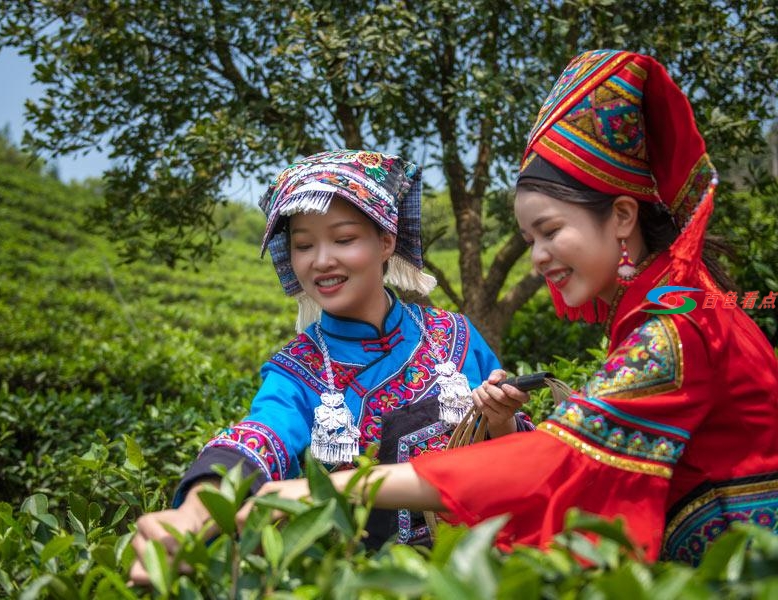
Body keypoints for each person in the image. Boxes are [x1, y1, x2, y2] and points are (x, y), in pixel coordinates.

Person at [235, 50, 778, 566]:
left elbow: (552, 457)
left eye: (550, 232)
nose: (538, 258)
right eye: (304, 245)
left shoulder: (674, 329)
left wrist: (333, 486)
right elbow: (263, 431)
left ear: (621, 216)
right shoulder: (673, 305)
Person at [129, 149, 534, 583]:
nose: (321, 260)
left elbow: (518, 459)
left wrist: (500, 422)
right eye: (304, 245)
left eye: (343, 239)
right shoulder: (297, 370)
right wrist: (195, 512)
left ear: (385, 241)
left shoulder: (455, 335)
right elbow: (260, 436)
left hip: (486, 573)